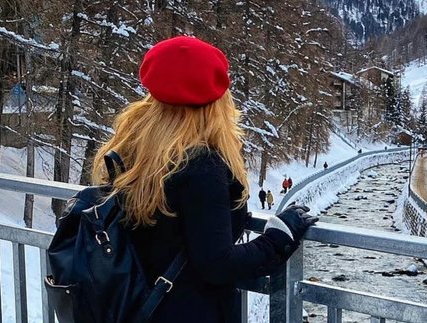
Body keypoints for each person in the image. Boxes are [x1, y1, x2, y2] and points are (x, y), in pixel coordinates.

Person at [92, 36, 317, 322]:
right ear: (215, 103)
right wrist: (279, 237)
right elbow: (217, 264)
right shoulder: (200, 167)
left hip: (134, 305)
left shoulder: (130, 151)